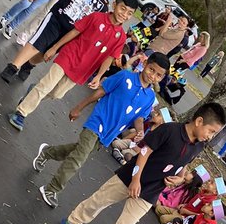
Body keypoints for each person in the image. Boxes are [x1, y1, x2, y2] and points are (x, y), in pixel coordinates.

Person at [59, 102, 226, 224]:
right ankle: (73, 222)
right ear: (199, 121)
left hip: (151, 192)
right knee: (98, 201)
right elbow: (145, 152)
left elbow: (185, 162)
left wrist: (180, 179)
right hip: (129, 178)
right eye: (211, 131)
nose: (210, 136)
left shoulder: (199, 146)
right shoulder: (169, 130)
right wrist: (136, 179)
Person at [29, 53, 168, 207]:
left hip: (109, 134)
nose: (153, 76)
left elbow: (140, 117)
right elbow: (101, 91)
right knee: (78, 160)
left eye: (158, 75)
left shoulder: (149, 97)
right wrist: (78, 107)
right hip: (97, 122)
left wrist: (140, 131)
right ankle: (52, 188)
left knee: (78, 151)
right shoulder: (124, 76)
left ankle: (47, 152)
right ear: (146, 63)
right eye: (151, 70)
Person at [7, 0, 136, 130]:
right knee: (46, 86)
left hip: (83, 70)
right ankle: (21, 113)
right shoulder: (96, 17)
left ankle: (31, 94)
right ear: (114, 4)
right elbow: (75, 31)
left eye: (129, 13)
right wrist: (55, 47)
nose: (124, 14)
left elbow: (110, 57)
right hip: (69, 55)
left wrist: (99, 76)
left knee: (56, 94)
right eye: (123, 8)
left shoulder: (121, 37)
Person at [0, 0, 121, 84]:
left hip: (70, 33)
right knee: (37, 43)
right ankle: (12, 67)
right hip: (56, 19)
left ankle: (29, 64)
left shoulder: (103, 6)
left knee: (44, 54)